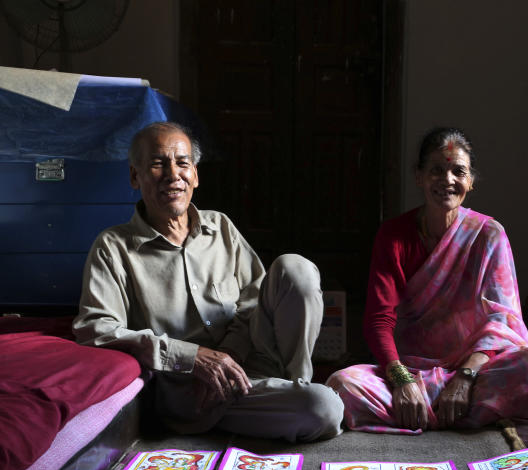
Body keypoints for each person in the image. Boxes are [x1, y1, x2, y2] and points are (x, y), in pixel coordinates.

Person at [73, 121, 343, 442]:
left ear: (195, 175)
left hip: (254, 357)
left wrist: (232, 350)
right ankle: (285, 402)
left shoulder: (220, 226)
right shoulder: (114, 247)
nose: (174, 174)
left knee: (295, 268)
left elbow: (253, 297)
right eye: (158, 163)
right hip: (195, 390)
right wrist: (190, 357)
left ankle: (295, 381)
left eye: (183, 163)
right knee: (323, 408)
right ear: (135, 176)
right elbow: (96, 330)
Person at [326, 127, 528, 435]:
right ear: (419, 177)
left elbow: (502, 321)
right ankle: (458, 413)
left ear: (470, 182)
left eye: (458, 171)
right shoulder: (393, 236)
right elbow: (379, 320)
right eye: (436, 171)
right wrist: (402, 381)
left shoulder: (488, 235)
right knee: (341, 385)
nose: (447, 180)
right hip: (410, 372)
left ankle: (429, 413)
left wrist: (464, 378)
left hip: (475, 371)